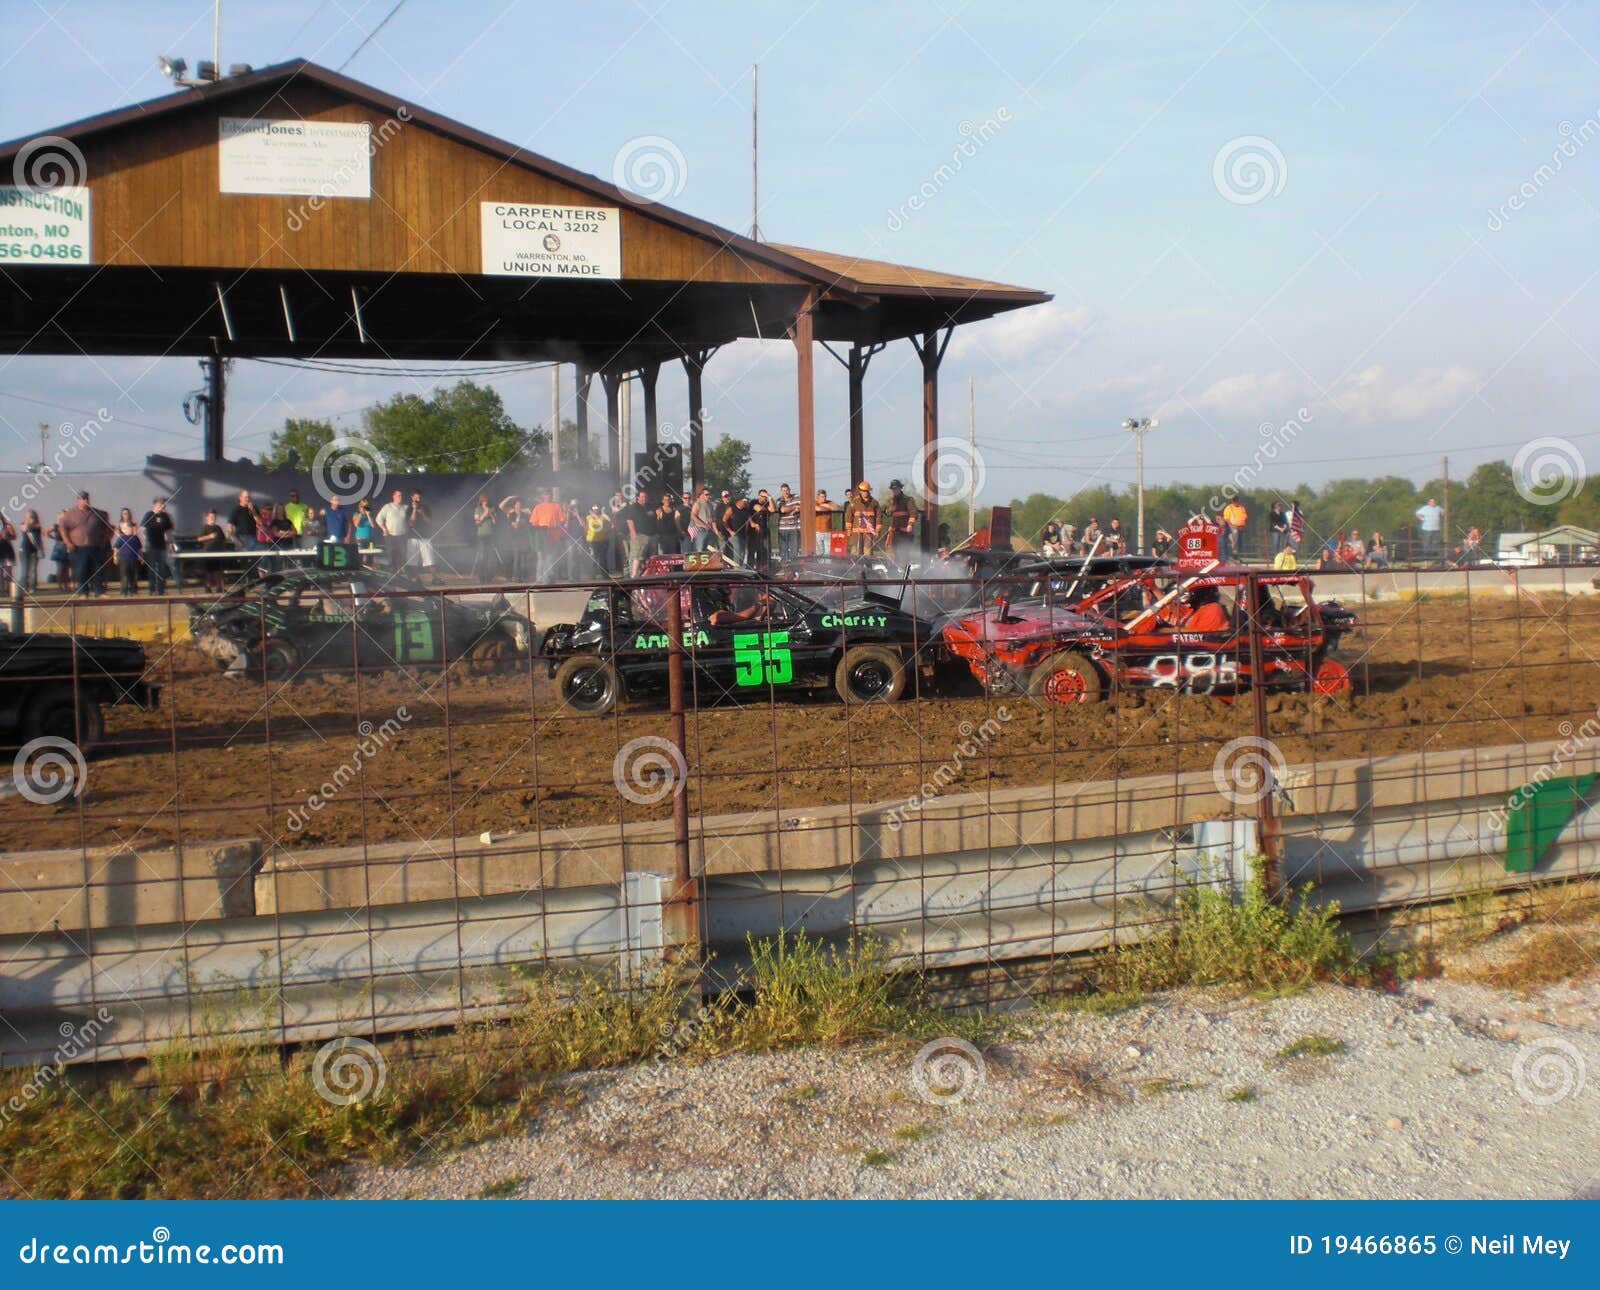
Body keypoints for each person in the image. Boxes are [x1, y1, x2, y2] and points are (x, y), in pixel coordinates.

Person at [60, 492, 112, 596]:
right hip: (78, 548)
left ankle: (99, 591)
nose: (86, 501)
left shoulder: (97, 513)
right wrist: (67, 542)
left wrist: (104, 541)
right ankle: (83, 592)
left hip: (95, 547)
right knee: (81, 570)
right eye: (83, 499)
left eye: (87, 499)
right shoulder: (70, 514)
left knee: (97, 570)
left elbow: (108, 528)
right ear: (78, 500)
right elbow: (63, 528)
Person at [141, 497, 174, 595]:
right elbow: (142, 529)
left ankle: (161, 590)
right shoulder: (148, 515)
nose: (162, 507)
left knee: (162, 569)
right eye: (160, 505)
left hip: (162, 546)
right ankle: (152, 590)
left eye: (163, 505)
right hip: (150, 546)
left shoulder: (165, 516)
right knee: (151, 569)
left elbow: (168, 531)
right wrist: (144, 544)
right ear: (155, 505)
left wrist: (170, 543)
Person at [194, 508, 228, 593]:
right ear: (207, 518)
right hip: (208, 552)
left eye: (214, 516)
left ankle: (219, 587)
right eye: (211, 516)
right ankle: (207, 588)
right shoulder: (205, 528)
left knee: (217, 571)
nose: (213, 518)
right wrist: (209, 536)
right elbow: (199, 539)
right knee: (208, 571)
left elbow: (223, 539)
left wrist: (223, 548)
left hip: (218, 553)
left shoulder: (218, 528)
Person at [375, 488, 409, 572]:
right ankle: (392, 573)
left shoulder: (405, 507)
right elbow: (378, 519)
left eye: (401, 495)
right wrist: (384, 529)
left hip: (402, 535)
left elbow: (411, 520)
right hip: (390, 535)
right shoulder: (388, 506)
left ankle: (402, 572)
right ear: (393, 496)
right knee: (391, 555)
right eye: (398, 495)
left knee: (402, 555)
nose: (400, 497)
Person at [624, 488, 656, 575]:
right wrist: (633, 533)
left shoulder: (649, 507)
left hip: (651, 536)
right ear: (637, 498)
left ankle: (646, 576)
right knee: (637, 556)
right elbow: (629, 520)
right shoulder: (634, 507)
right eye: (642, 497)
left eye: (645, 496)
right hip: (639, 535)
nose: (644, 498)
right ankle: (634, 576)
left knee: (650, 557)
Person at [406, 489, 437, 581]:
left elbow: (429, 522)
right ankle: (416, 578)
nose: (417, 499)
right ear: (412, 497)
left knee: (430, 558)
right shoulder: (409, 508)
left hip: (425, 536)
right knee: (413, 559)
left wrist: (422, 512)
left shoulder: (425, 508)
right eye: (415, 497)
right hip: (412, 537)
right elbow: (410, 523)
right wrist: (414, 510)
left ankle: (435, 577)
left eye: (419, 497)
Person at [885, 480, 918, 561]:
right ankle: (894, 571)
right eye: (893, 489)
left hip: (905, 532)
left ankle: (904, 570)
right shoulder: (890, 500)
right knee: (893, 552)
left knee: (904, 553)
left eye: (896, 488)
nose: (894, 491)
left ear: (900, 488)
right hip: (894, 531)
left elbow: (913, 513)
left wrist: (910, 524)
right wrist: (890, 508)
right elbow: (888, 513)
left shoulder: (908, 500)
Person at [844, 482, 879, 556]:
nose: (865, 493)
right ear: (860, 491)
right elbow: (848, 517)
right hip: (856, 533)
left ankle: (867, 567)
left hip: (868, 533)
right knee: (855, 552)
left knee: (868, 553)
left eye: (867, 491)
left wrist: (878, 531)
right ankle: (856, 567)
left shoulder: (874, 503)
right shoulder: (854, 502)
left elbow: (879, 518)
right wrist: (849, 530)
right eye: (863, 491)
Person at [471, 493, 497, 578]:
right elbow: (477, 523)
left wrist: (491, 515)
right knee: (482, 555)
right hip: (481, 535)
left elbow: (495, 523)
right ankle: (480, 575)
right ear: (481, 501)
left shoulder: (491, 509)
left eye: (486, 500)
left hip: (490, 534)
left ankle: (489, 575)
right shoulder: (477, 509)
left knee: (489, 555)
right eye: (483, 500)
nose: (485, 502)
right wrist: (484, 515)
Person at [113, 520, 142, 595]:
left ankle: (133, 590)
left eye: (130, 527)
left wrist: (141, 557)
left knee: (134, 576)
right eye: (127, 528)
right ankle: (124, 591)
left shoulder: (135, 538)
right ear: (123, 529)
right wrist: (115, 557)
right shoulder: (121, 538)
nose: (130, 529)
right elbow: (116, 548)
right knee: (124, 576)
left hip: (134, 560)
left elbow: (139, 549)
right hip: (124, 560)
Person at [747, 489, 774, 569]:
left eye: (765, 497)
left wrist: (770, 498)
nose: (764, 498)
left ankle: (762, 567)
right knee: (752, 550)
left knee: (764, 550)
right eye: (763, 496)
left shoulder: (768, 502)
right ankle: (750, 567)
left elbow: (772, 509)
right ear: (759, 496)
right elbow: (759, 508)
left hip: (764, 530)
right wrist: (767, 509)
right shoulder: (753, 502)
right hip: (754, 531)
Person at [16, 510, 42, 593]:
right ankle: (24, 587)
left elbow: (38, 535)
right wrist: (28, 521)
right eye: (28, 517)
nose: (29, 519)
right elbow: (25, 528)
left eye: (31, 517)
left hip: (34, 550)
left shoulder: (37, 527)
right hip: (24, 550)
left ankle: (32, 587)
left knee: (33, 570)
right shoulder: (23, 524)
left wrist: (41, 550)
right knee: (25, 570)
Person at [776, 483, 802, 562]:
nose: (786, 492)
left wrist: (795, 510)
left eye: (787, 490)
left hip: (794, 528)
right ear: (781, 491)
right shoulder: (779, 500)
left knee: (794, 549)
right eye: (783, 491)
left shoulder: (796, 497)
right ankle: (785, 567)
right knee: (783, 550)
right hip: (783, 529)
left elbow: (803, 506)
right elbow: (783, 509)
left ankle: (794, 568)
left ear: (790, 490)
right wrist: (794, 507)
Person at [813, 488, 841, 555]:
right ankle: (820, 565)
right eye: (822, 496)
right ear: (818, 497)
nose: (824, 498)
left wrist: (826, 505)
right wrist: (829, 508)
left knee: (828, 552)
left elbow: (837, 508)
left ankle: (827, 565)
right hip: (817, 531)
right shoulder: (814, 502)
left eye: (825, 496)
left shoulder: (829, 502)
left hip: (828, 531)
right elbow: (818, 509)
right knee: (819, 552)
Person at [585, 504, 612, 572]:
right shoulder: (588, 517)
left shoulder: (603, 516)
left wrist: (607, 532)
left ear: (599, 509)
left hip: (602, 539)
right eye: (593, 508)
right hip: (591, 540)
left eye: (596, 508)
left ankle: (603, 572)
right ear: (591, 509)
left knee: (602, 556)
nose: (595, 509)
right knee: (593, 556)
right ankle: (594, 573)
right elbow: (585, 527)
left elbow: (611, 524)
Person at [688, 486, 715, 553]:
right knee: (699, 549)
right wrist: (703, 525)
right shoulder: (697, 503)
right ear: (702, 495)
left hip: (709, 530)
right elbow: (693, 516)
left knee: (709, 550)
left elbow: (711, 517)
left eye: (709, 494)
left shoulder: (710, 505)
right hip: (700, 530)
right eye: (706, 494)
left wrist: (711, 522)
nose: (708, 496)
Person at [49, 513, 71, 590]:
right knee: (60, 568)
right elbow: (47, 532)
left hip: (67, 547)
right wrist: (54, 538)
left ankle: (66, 585)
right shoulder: (56, 526)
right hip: (59, 549)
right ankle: (60, 585)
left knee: (66, 568)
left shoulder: (69, 526)